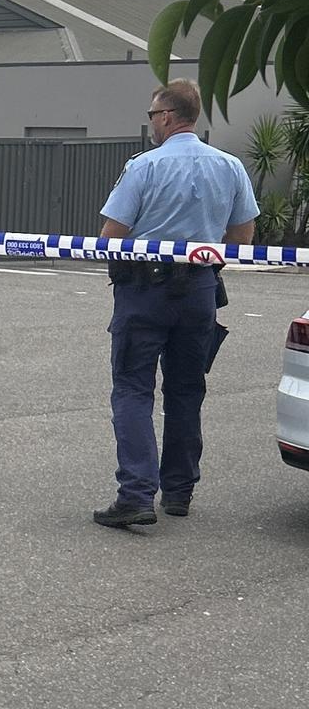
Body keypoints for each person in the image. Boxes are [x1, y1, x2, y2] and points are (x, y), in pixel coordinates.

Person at [92, 79, 257, 528]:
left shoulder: (144, 167)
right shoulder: (230, 167)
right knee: (186, 391)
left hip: (144, 292)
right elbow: (242, 239)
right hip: (200, 292)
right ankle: (179, 492)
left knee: (132, 389)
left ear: (166, 116)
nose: (150, 123)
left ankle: (136, 495)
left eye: (151, 115)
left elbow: (111, 237)